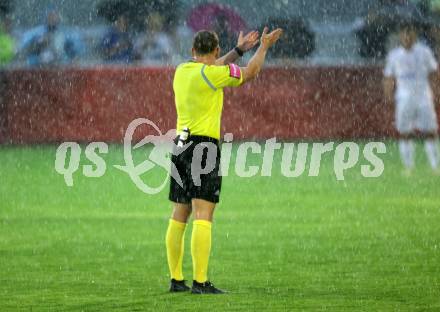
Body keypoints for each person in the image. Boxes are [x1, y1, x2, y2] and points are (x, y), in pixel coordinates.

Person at [165, 27, 282, 294]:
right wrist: (263, 47)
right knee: (204, 213)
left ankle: (176, 279)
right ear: (216, 50)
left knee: (179, 212)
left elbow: (210, 66)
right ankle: (201, 282)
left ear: (192, 52)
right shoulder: (215, 74)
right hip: (203, 146)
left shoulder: (183, 70)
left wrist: (239, 50)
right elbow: (250, 73)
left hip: (181, 143)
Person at [384, 22, 440, 174]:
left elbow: (434, 72)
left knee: (431, 131)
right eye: (405, 33)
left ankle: (435, 166)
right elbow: (389, 77)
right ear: (400, 35)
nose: (407, 37)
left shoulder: (424, 52)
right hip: (404, 98)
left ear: (415, 35)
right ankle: (409, 166)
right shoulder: (394, 55)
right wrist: (388, 95)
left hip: (423, 96)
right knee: (405, 132)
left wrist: (437, 91)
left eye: (410, 33)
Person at [18, 7, 84, 67]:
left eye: (55, 15)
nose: (52, 18)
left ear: (59, 17)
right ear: (46, 17)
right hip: (38, 65)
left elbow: (79, 47)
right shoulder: (36, 32)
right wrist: (38, 42)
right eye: (50, 15)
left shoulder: (67, 33)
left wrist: (74, 58)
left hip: (61, 65)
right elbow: (22, 45)